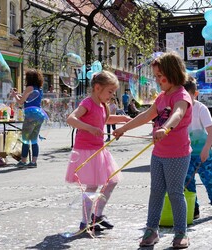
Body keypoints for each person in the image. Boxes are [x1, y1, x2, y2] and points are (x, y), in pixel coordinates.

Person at [113, 51, 192, 249]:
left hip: (177, 154)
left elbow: (178, 113)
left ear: (172, 73)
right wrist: (123, 128)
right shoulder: (162, 97)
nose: (157, 80)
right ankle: (152, 229)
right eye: (155, 76)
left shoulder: (181, 95)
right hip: (158, 153)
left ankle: (181, 232)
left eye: (159, 76)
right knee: (156, 192)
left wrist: (166, 128)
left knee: (175, 193)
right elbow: (146, 116)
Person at [65, 70, 131, 231]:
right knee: (93, 186)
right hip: (86, 150)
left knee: (112, 181)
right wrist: (90, 128)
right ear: (97, 88)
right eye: (110, 92)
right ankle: (85, 221)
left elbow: (104, 119)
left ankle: (97, 215)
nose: (111, 95)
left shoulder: (102, 105)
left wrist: (122, 119)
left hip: (99, 149)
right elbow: (71, 118)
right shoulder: (87, 103)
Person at [184, 76, 212, 219]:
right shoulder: (179, 109)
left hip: (203, 153)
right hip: (186, 154)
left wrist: (206, 149)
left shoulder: (201, 109)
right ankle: (193, 208)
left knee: (210, 180)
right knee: (188, 183)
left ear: (195, 94)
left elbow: (211, 131)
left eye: (187, 96)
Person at [11, 69, 47, 168]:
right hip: (39, 114)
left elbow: (21, 102)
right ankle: (33, 162)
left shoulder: (29, 87)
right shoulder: (39, 89)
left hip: (30, 114)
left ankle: (23, 161)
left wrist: (14, 95)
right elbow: (29, 99)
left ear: (29, 78)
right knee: (34, 139)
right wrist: (20, 96)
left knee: (25, 139)